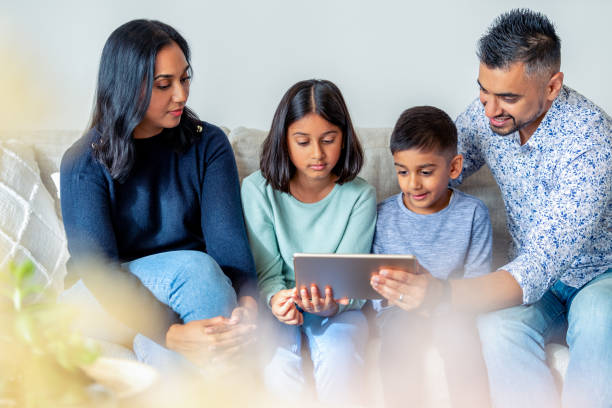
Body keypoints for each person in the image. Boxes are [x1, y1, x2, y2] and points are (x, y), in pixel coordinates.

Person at [372, 9, 612, 408]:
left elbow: (539, 265)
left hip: (598, 275)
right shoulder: (489, 118)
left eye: (508, 97)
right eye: (484, 90)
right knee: (496, 328)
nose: (489, 110)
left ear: (552, 87)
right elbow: (437, 168)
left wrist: (441, 293)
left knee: (601, 319)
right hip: (532, 281)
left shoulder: (593, 144)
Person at [60, 19, 257, 370]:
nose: (181, 95)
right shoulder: (84, 161)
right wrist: (169, 332)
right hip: (96, 302)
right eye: (164, 84)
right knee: (194, 269)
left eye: (185, 78)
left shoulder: (208, 144)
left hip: (193, 298)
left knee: (207, 287)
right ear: (126, 86)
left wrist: (248, 304)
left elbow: (229, 248)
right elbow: (99, 271)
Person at [240, 79, 376, 405]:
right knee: (278, 369)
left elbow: (352, 280)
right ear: (284, 141)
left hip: (338, 311)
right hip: (277, 309)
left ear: (344, 139)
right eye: (303, 142)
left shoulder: (360, 196)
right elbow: (266, 274)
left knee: (341, 361)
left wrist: (332, 304)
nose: (317, 154)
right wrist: (276, 300)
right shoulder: (257, 190)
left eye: (329, 140)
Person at [370, 106, 492, 408]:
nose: (413, 184)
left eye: (425, 172)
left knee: (460, 338)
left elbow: (478, 284)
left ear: (453, 167)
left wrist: (436, 301)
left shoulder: (473, 213)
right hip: (398, 313)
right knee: (399, 337)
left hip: (452, 308)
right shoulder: (382, 215)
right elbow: (375, 290)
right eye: (402, 172)